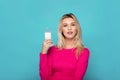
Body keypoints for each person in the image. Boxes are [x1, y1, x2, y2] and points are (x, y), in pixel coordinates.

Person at [39, 13, 90, 80]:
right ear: (61, 30)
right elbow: (44, 78)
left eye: (73, 25)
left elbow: (77, 78)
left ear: (77, 28)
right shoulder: (52, 50)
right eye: (65, 25)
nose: (69, 28)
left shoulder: (83, 52)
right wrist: (43, 52)